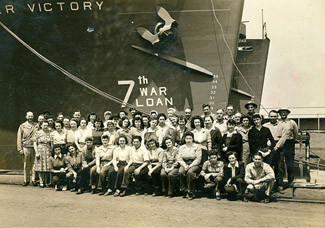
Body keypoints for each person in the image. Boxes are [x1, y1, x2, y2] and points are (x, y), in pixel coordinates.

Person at [263, 110, 285, 191]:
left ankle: (279, 184)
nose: (273, 118)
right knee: (268, 165)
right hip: (268, 147)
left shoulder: (282, 125)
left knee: (279, 166)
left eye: (274, 116)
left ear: (277, 117)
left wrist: (277, 146)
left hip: (279, 147)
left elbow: (283, 137)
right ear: (269, 117)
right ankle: (267, 185)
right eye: (271, 116)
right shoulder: (265, 125)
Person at [277, 107, 298, 186]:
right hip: (280, 143)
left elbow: (296, 133)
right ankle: (280, 182)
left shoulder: (291, 122)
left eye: (285, 112)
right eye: (281, 112)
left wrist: (292, 140)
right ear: (279, 114)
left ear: (287, 113)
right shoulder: (278, 122)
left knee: (290, 163)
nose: (283, 114)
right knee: (280, 163)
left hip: (289, 143)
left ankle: (290, 181)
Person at [178, 132, 202, 200]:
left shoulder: (197, 146)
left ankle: (191, 191)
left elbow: (198, 159)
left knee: (190, 172)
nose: (188, 140)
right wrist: (185, 166)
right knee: (180, 172)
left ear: (192, 139)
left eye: (190, 138)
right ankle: (184, 189)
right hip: (184, 163)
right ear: (184, 139)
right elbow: (179, 158)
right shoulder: (181, 147)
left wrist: (190, 165)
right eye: (187, 138)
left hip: (194, 164)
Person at [17, 111, 38, 186]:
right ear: (26, 117)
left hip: (34, 147)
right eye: (29, 116)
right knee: (26, 164)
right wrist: (20, 149)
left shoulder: (36, 125)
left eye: (31, 116)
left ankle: (34, 180)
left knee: (34, 164)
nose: (30, 118)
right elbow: (19, 138)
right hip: (26, 147)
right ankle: (26, 180)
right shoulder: (22, 126)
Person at [33, 121, 51, 187]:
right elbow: (35, 143)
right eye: (44, 125)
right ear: (41, 126)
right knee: (40, 166)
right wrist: (36, 152)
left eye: (46, 125)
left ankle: (45, 181)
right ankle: (41, 181)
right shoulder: (38, 133)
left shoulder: (49, 132)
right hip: (40, 149)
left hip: (48, 149)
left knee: (47, 166)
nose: (45, 127)